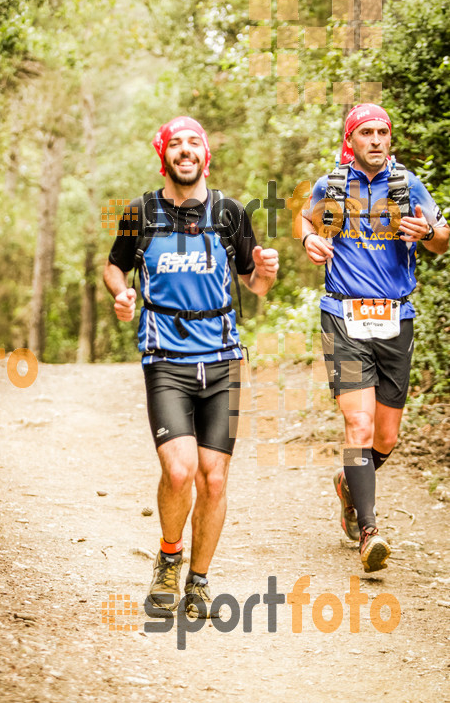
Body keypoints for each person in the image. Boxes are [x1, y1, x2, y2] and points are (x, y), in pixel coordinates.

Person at [104, 116, 279, 616]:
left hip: (224, 361)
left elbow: (254, 283)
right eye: (176, 144)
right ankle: (168, 557)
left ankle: (198, 581)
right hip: (166, 359)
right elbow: (114, 264)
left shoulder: (230, 212)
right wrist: (122, 293)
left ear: (206, 155)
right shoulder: (141, 212)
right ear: (165, 156)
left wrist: (265, 272)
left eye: (194, 143)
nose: (186, 151)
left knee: (215, 478)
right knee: (179, 472)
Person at [301, 103, 449, 573]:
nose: (377, 139)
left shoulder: (408, 186)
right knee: (358, 428)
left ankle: (349, 483)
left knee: (385, 437)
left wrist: (428, 232)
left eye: (383, 131)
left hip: (395, 319)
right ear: (352, 139)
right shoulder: (332, 185)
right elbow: (305, 220)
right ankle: (369, 530)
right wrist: (310, 240)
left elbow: (443, 237)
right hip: (342, 317)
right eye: (367, 132)